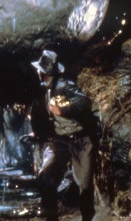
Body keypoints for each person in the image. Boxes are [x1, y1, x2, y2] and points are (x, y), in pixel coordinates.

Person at [27, 49, 97, 221]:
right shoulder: (43, 91)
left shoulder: (65, 85)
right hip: (60, 142)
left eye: (38, 69)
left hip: (81, 141)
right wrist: (37, 133)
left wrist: (64, 109)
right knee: (46, 177)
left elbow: (84, 102)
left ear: (43, 72)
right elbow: (38, 116)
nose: (37, 71)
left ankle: (87, 218)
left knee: (85, 187)